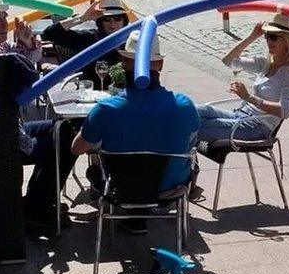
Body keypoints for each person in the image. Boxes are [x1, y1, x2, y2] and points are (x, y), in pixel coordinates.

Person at [0, 0, 79, 231]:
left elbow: (22, 62)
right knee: (67, 142)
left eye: (4, 16)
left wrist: (24, 44)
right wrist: (29, 145)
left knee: (66, 129)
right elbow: (3, 107)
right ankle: (37, 207)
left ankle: (37, 202)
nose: (5, 23)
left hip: (11, 127)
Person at [72, 30, 200, 235]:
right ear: (160, 65)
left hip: (123, 187)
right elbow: (193, 136)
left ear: (123, 63)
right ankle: (140, 219)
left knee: (96, 169)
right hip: (171, 187)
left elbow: (77, 148)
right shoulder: (184, 105)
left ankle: (131, 217)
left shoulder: (106, 109)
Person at [196, 14, 289, 143]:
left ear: (288, 41)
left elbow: (285, 111)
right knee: (196, 111)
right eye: (267, 36)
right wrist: (252, 36)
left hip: (257, 127)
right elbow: (229, 61)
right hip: (241, 115)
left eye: (273, 37)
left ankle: (180, 160)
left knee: (195, 126)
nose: (269, 41)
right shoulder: (266, 63)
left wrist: (249, 98)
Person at [40, 0, 134, 90]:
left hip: (128, 93)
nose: (112, 24)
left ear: (124, 21)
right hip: (94, 94)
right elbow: (50, 33)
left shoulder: (133, 39)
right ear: (101, 21)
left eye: (117, 18)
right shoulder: (90, 38)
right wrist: (83, 18)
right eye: (107, 19)